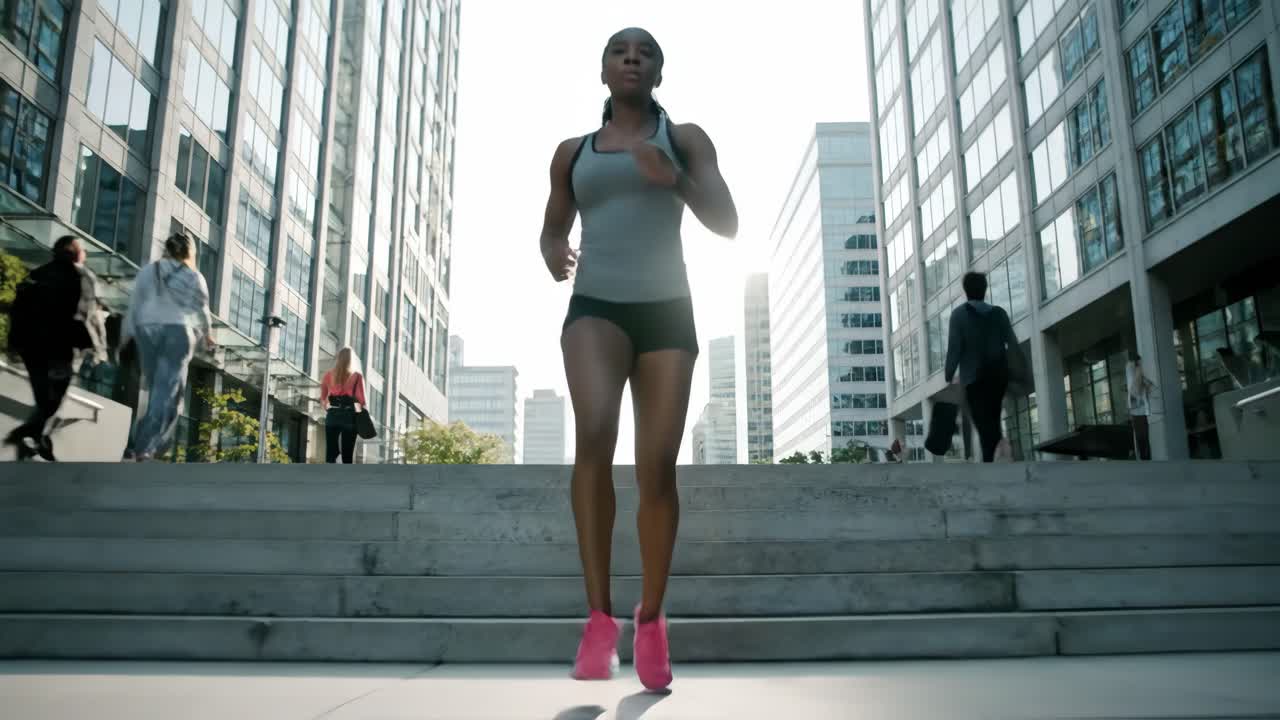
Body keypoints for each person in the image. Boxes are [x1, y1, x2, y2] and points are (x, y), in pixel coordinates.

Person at [538, 27, 737, 690]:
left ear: (657, 73)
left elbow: (728, 222)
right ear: (603, 72)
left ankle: (650, 619)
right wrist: (551, 250)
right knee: (594, 434)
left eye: (645, 51)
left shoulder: (685, 140)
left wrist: (674, 178)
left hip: (667, 312)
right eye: (620, 50)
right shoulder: (573, 152)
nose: (632, 57)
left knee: (657, 468)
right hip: (595, 306)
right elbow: (553, 223)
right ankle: (598, 620)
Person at [4, 235, 100, 461]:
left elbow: (17, 310)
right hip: (60, 347)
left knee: (43, 398)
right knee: (53, 398)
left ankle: (37, 440)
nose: (84, 254)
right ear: (75, 253)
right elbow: (84, 313)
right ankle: (29, 434)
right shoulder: (82, 275)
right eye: (83, 250)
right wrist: (93, 345)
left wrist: (13, 343)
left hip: (31, 347)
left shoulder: (35, 275)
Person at [122, 233, 214, 461]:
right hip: (176, 331)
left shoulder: (148, 271)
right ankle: (144, 445)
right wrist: (208, 335)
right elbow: (202, 311)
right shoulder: (194, 276)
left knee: (156, 391)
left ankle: (143, 444)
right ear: (190, 251)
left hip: (146, 330)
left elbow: (134, 305)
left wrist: (127, 335)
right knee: (169, 395)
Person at [944, 272, 1024, 463]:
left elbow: (954, 348)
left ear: (966, 291)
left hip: (974, 379)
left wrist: (949, 374)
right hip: (998, 377)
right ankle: (995, 455)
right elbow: (1012, 343)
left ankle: (991, 459)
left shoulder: (959, 315)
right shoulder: (999, 313)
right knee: (993, 418)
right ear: (985, 290)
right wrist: (1017, 371)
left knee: (982, 421)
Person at [319, 347, 365, 464]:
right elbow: (361, 400)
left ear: (338, 359)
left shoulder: (328, 375)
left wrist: (329, 409)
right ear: (351, 360)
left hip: (333, 415)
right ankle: (345, 480)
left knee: (330, 454)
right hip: (349, 416)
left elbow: (323, 399)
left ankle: (329, 479)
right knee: (347, 455)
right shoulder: (356, 376)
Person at [1126, 352, 1154, 460]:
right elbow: (1136, 389)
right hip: (1140, 410)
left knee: (1141, 440)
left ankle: (1144, 458)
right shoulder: (1134, 368)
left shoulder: (1130, 368)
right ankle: (1145, 458)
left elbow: (1135, 390)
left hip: (1138, 410)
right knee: (1143, 439)